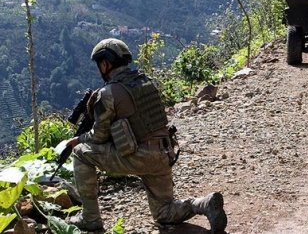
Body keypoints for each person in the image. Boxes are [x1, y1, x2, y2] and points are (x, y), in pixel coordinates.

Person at [65, 38, 227, 233]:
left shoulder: (108, 92)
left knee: (81, 153)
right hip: (165, 153)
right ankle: (203, 203)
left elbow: (99, 136)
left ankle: (90, 218)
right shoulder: (147, 82)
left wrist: (78, 140)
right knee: (164, 213)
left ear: (105, 63)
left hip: (139, 156)